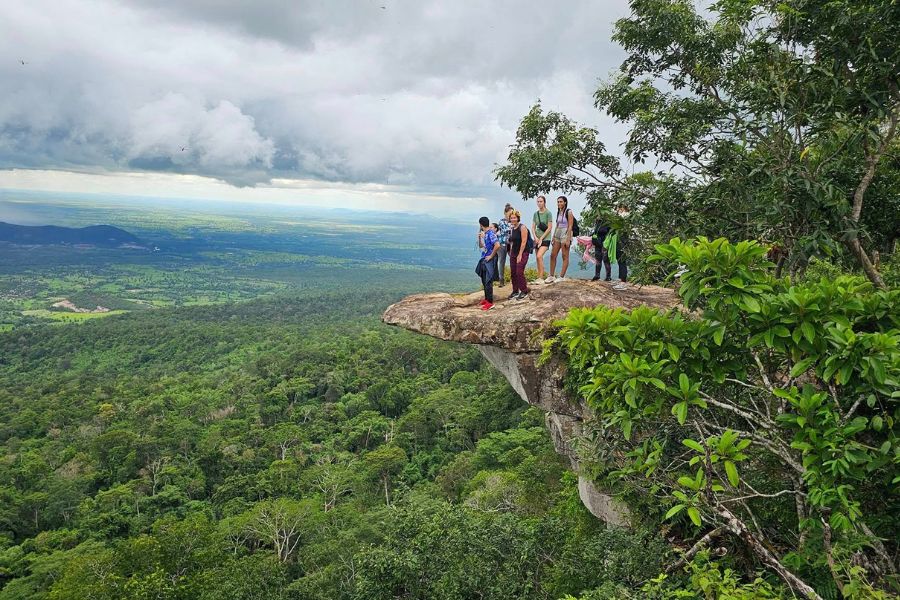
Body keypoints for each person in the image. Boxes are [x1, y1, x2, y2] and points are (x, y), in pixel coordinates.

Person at [546, 196, 574, 283]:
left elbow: (570, 226)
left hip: (565, 232)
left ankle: (561, 276)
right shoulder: (559, 212)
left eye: (561, 202)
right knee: (552, 255)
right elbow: (557, 225)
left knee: (564, 255)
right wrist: (554, 236)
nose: (559, 203)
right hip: (558, 232)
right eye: (558, 202)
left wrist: (568, 238)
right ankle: (551, 276)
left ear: (565, 202)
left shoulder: (569, 212)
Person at [476, 216, 500, 310]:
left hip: (490, 259)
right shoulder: (485, 234)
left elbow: (497, 245)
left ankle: (490, 303)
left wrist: (491, 256)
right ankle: (486, 299)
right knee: (484, 279)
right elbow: (482, 246)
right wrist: (479, 239)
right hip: (485, 258)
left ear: (481, 225)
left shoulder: (490, 233)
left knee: (488, 281)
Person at [507, 210, 531, 300]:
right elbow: (512, 241)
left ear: (518, 218)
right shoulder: (512, 228)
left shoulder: (522, 227)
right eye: (511, 218)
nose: (513, 219)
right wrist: (511, 252)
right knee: (513, 273)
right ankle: (515, 291)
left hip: (523, 252)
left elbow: (524, 241)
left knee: (519, 272)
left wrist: (520, 254)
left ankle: (524, 290)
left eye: (514, 217)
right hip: (514, 252)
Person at [531, 196, 552, 282]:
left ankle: (541, 278)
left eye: (541, 201)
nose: (539, 203)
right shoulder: (536, 214)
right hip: (537, 239)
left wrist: (541, 239)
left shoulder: (548, 213)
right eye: (538, 202)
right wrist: (535, 237)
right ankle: (539, 276)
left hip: (545, 238)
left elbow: (549, 228)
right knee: (537, 258)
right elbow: (533, 227)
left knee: (539, 256)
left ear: (544, 202)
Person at [496, 205, 513, 286]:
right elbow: (506, 230)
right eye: (509, 214)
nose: (510, 216)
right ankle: (501, 280)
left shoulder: (513, 221)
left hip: (511, 244)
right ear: (505, 213)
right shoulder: (501, 221)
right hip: (502, 244)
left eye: (511, 214)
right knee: (501, 262)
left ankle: (513, 279)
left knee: (513, 261)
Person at [590, 217, 611, 281]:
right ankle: (598, 275)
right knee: (599, 260)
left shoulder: (606, 224)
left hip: (604, 244)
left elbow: (605, 232)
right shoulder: (598, 224)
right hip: (599, 244)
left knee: (605, 260)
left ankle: (607, 276)